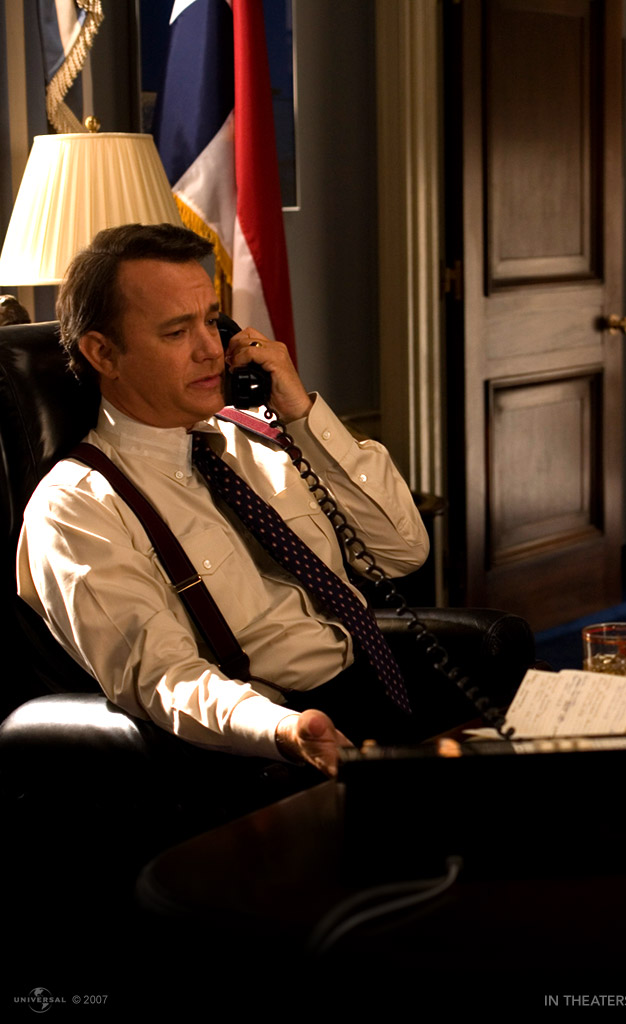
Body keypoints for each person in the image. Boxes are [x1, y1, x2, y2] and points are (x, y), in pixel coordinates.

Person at [17, 224, 430, 777]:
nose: (213, 350)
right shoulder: (76, 508)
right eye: (176, 332)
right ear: (103, 353)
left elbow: (401, 551)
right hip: (279, 738)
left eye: (212, 320)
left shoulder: (256, 436)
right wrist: (281, 730)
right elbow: (163, 677)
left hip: (385, 681)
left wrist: (301, 414)